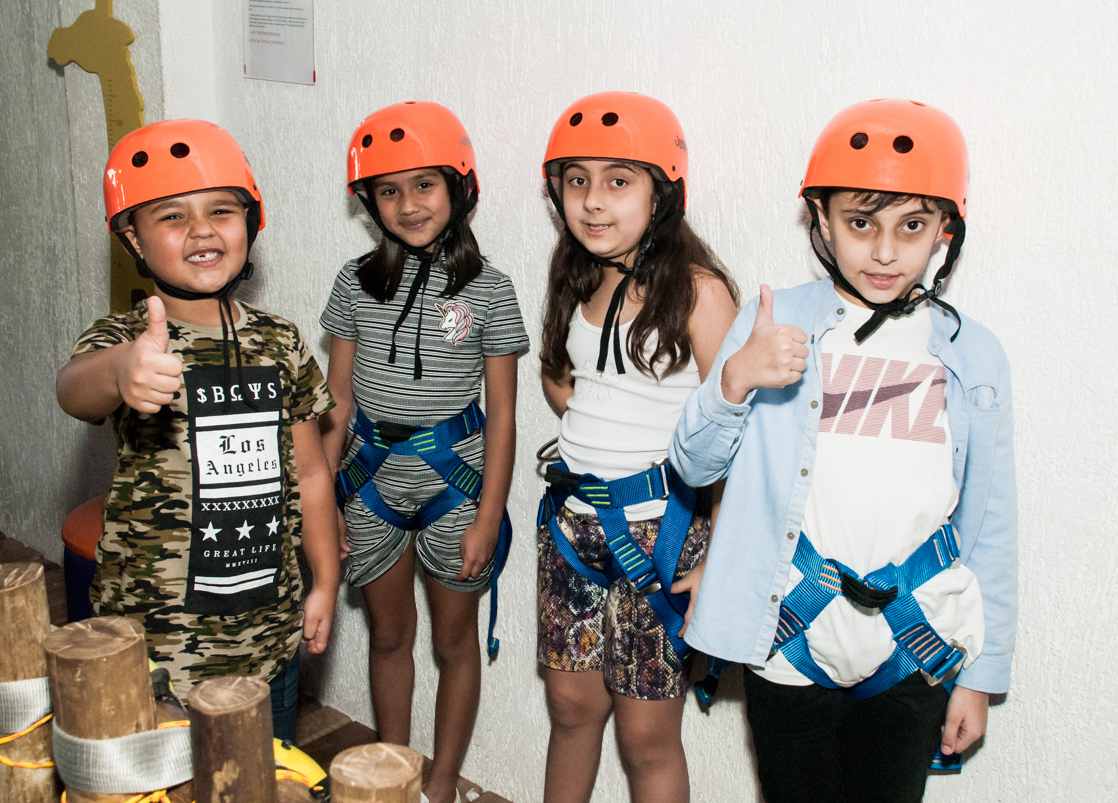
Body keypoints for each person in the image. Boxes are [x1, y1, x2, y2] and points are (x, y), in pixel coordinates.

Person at [669, 99, 1018, 803]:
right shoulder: (778, 322)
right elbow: (693, 464)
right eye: (861, 224)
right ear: (821, 220)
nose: (884, 252)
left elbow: (993, 523)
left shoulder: (973, 356)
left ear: (945, 228)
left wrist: (982, 674)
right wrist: (735, 379)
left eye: (911, 226)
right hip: (791, 639)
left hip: (913, 644)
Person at [55, 119, 340, 742]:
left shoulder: (280, 340)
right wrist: (121, 370)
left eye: (221, 210)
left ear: (250, 221)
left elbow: (313, 473)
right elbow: (75, 389)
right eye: (172, 217)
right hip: (157, 640)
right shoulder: (128, 340)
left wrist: (325, 581)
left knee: (266, 776)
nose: (203, 230)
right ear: (131, 237)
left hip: (269, 633)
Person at [319, 102, 527, 803]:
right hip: (369, 479)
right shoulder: (354, 282)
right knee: (387, 635)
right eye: (388, 190)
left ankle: (439, 784)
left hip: (456, 485)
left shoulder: (490, 291)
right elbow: (337, 400)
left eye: (424, 185)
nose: (407, 204)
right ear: (368, 201)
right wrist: (324, 504)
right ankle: (392, 769)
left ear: (458, 187)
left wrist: (487, 513)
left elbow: (503, 416)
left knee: (452, 641)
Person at [536, 91, 740, 803]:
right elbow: (566, 379)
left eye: (619, 181)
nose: (593, 201)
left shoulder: (699, 292)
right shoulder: (578, 274)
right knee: (570, 710)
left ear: (663, 193)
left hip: (663, 532)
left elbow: (740, 431)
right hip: (570, 529)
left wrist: (721, 552)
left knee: (646, 738)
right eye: (577, 179)